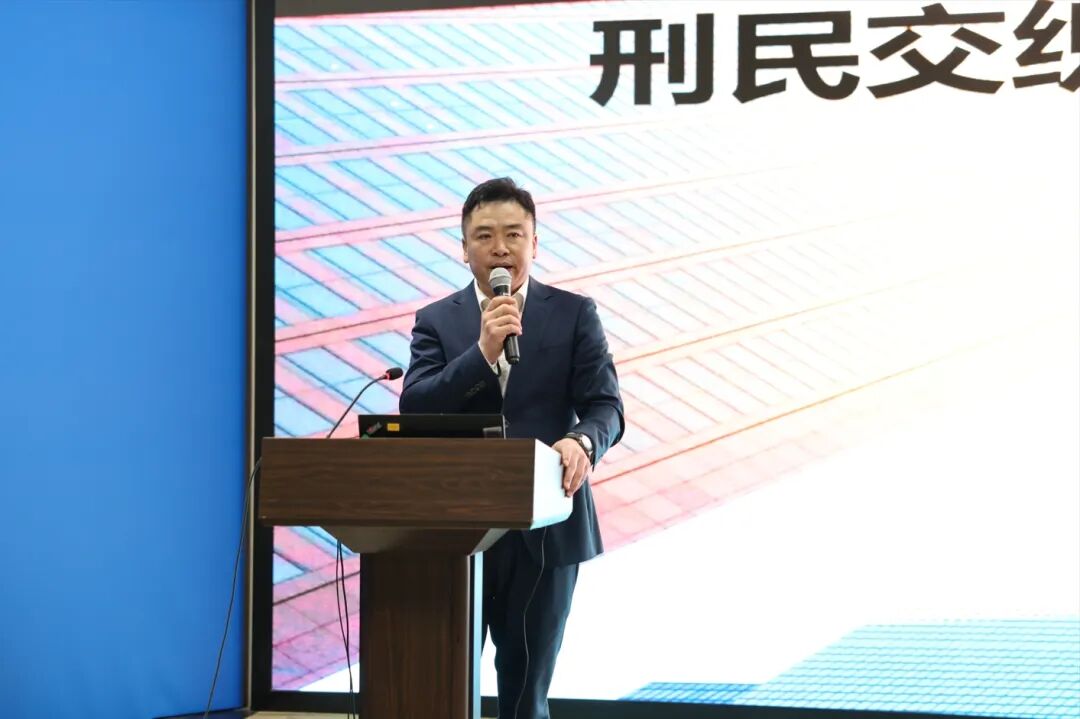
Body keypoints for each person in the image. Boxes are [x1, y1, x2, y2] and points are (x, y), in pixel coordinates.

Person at [399, 177, 624, 718]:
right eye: (484, 236)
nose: (500, 247)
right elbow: (416, 409)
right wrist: (481, 352)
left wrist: (581, 441)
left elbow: (606, 408)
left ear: (534, 243)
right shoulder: (437, 321)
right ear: (464, 248)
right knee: (443, 688)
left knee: (525, 698)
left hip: (545, 527)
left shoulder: (573, 313)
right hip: (455, 527)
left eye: (513, 234)